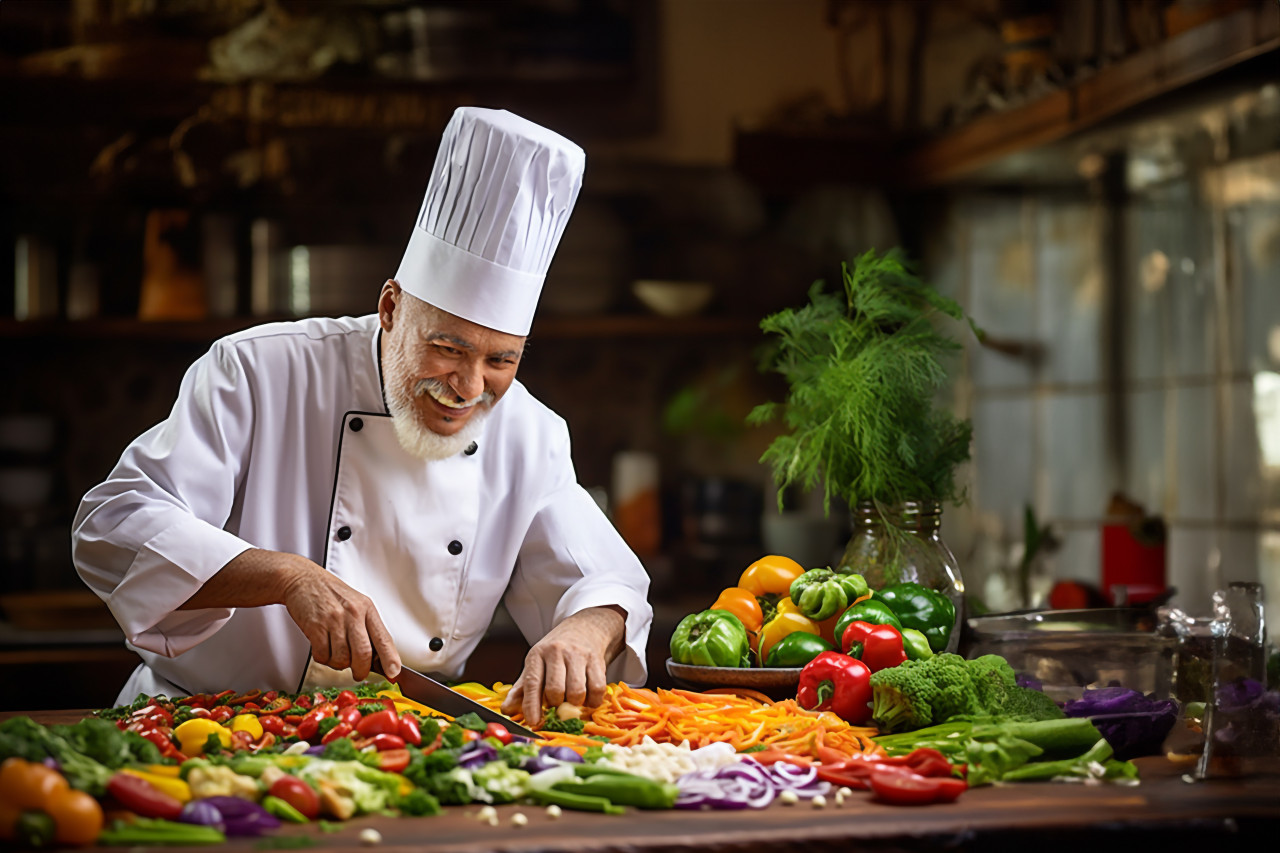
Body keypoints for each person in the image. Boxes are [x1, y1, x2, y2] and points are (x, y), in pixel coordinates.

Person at [72, 107, 653, 728]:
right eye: (449, 348)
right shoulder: (258, 371)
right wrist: (287, 576)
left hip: (393, 741)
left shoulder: (530, 435)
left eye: (501, 360)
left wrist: (586, 632)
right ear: (391, 307)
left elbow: (604, 578)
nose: (469, 386)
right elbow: (115, 526)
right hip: (197, 728)